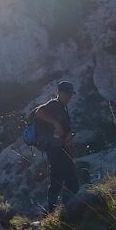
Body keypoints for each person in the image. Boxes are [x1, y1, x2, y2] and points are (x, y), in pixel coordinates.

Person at [33, 80, 79, 212]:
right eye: (66, 94)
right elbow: (38, 112)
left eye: (70, 94)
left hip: (60, 148)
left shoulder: (64, 109)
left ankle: (54, 209)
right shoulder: (54, 104)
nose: (69, 97)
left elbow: (64, 131)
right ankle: (67, 208)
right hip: (54, 149)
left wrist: (68, 138)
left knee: (57, 179)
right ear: (58, 93)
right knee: (71, 180)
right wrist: (55, 123)